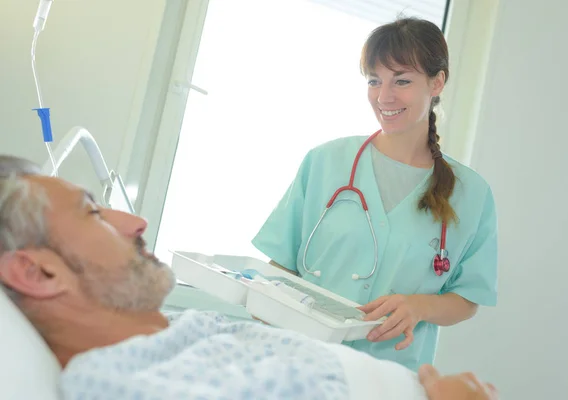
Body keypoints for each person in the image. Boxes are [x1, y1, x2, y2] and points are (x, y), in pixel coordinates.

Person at [0, 155, 498, 400]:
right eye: (92, 212)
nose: (136, 222)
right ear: (36, 271)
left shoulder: (178, 333)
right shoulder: (135, 385)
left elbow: (469, 292)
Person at [252, 16, 498, 371]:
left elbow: (468, 297)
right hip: (296, 364)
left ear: (437, 82)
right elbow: (281, 265)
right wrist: (265, 307)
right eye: (374, 81)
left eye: (402, 80)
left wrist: (420, 306)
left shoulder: (471, 193)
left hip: (388, 377)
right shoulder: (325, 162)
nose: (384, 96)